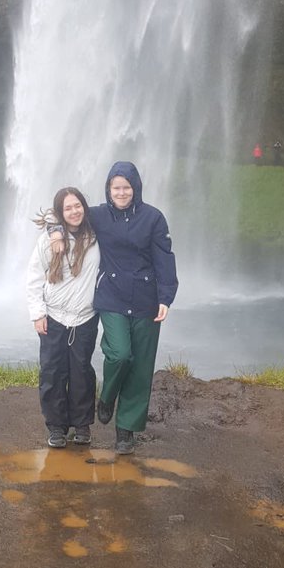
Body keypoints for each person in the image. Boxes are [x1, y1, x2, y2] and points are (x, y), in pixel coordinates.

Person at [49, 162, 178, 455]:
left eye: (126, 187)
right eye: (115, 187)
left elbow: (164, 259)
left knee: (141, 367)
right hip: (112, 297)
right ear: (108, 189)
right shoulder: (97, 215)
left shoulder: (153, 218)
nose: (121, 192)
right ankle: (106, 397)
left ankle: (125, 431)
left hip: (146, 299)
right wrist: (55, 232)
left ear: (135, 188)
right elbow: (61, 213)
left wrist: (165, 297)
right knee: (119, 354)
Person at [27, 187, 101, 449]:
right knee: (52, 372)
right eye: (68, 208)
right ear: (60, 212)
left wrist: (54, 226)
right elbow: (35, 277)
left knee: (81, 372)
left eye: (78, 205)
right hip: (54, 317)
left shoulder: (95, 234)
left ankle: (81, 425)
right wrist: (37, 314)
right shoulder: (49, 241)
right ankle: (56, 427)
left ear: (84, 206)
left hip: (85, 317)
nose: (74, 211)